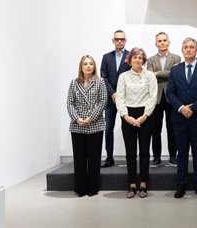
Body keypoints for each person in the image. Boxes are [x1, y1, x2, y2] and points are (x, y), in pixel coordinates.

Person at [168, 38, 197, 198]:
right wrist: (182, 108)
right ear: (182, 50)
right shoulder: (175, 70)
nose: (189, 50)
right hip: (179, 118)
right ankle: (180, 186)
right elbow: (170, 93)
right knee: (181, 153)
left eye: (192, 47)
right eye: (186, 47)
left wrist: (192, 108)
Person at [115, 47, 157, 198]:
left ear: (143, 60)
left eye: (140, 58)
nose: (137, 60)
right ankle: (132, 184)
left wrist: (144, 116)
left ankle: (144, 184)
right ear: (130, 59)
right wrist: (126, 116)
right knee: (130, 152)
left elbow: (153, 97)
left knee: (144, 152)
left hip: (145, 115)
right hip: (128, 116)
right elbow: (120, 98)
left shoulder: (150, 76)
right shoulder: (123, 76)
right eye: (135, 57)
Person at [66, 55, 108, 197]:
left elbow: (102, 102)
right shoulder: (74, 83)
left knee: (94, 158)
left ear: (94, 67)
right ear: (81, 67)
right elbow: (70, 103)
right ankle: (80, 188)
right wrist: (77, 118)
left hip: (95, 124)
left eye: (91, 64)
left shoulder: (100, 82)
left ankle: (93, 187)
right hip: (77, 125)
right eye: (85, 64)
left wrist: (90, 118)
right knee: (79, 158)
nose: (89, 66)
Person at [146, 32, 182, 166]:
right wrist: (163, 74)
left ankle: (173, 156)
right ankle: (156, 157)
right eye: (159, 41)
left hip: (171, 97)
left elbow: (174, 73)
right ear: (156, 44)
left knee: (172, 128)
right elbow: (150, 76)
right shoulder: (150, 60)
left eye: (164, 40)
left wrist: (157, 74)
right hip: (156, 98)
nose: (162, 43)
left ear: (168, 42)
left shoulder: (176, 58)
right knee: (155, 130)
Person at [101, 30, 131, 168]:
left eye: (122, 39)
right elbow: (104, 77)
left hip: (127, 99)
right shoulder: (106, 57)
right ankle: (109, 157)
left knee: (129, 129)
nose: (119, 41)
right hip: (110, 99)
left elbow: (132, 76)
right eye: (117, 39)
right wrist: (113, 93)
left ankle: (130, 157)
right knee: (108, 129)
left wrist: (121, 95)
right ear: (113, 41)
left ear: (125, 41)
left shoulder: (131, 56)